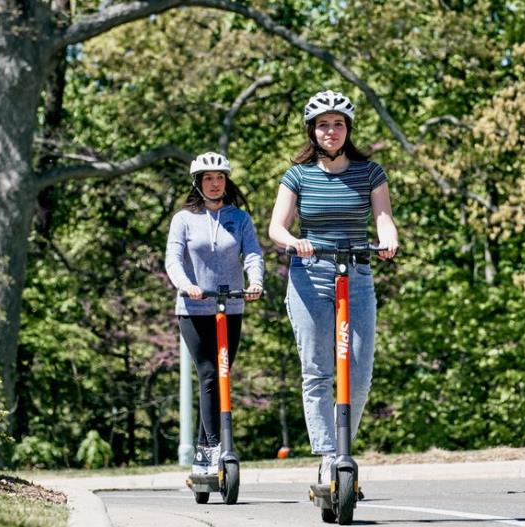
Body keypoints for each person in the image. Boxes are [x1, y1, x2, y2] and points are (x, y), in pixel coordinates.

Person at [268, 90, 399, 484]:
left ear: (348, 129)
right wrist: (294, 242)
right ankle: (328, 457)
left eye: (338, 124)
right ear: (312, 130)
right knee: (317, 372)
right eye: (323, 124)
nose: (331, 131)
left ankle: (344, 452)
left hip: (356, 273)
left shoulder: (370, 172)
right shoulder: (297, 175)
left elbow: (383, 218)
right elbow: (277, 226)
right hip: (310, 275)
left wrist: (389, 239)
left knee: (358, 375)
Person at [165, 151, 264, 475]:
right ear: (198, 182)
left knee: (221, 377)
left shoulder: (240, 218)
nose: (214, 183)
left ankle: (206, 453)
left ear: (226, 181)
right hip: (194, 308)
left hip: (230, 305)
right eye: (208, 178)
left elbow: (252, 254)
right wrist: (185, 284)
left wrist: (256, 281)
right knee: (208, 374)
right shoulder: (183, 219)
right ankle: (211, 449)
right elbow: (173, 260)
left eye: (219, 177)